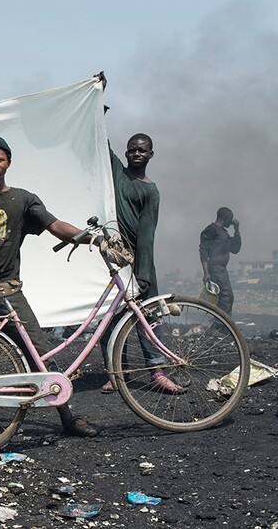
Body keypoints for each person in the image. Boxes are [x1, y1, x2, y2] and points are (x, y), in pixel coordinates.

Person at [0, 135, 99, 438]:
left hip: (8, 292)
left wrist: (93, 238)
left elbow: (56, 226)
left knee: (40, 356)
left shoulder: (23, 199)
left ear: (8, 162)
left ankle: (67, 418)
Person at [100, 132, 185, 394]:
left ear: (150, 154)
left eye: (142, 150)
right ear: (126, 154)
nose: (136, 154)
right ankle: (117, 373)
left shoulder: (150, 191)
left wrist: (144, 272)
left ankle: (156, 372)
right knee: (109, 318)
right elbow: (101, 140)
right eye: (132, 150)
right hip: (113, 258)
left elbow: (147, 235)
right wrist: (97, 102)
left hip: (140, 261)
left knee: (148, 318)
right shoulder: (116, 173)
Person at [199, 207, 242, 315]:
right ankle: (221, 326)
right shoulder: (211, 230)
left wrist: (237, 231)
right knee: (226, 296)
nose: (231, 222)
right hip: (216, 268)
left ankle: (220, 324)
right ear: (224, 218)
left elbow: (235, 249)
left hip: (221, 269)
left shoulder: (224, 233)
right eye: (230, 219)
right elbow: (203, 251)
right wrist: (206, 272)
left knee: (223, 297)